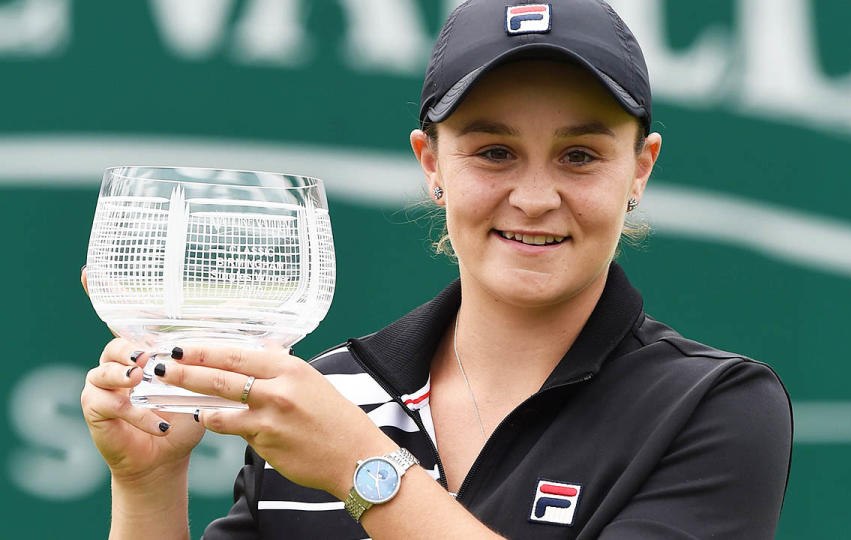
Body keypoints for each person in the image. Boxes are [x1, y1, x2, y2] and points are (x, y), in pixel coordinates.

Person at [80, 1, 793, 538]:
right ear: (431, 164)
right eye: (493, 152)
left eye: (580, 156)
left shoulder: (715, 406)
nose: (536, 198)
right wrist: (148, 484)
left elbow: (355, 463)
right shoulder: (330, 393)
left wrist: (364, 471)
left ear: (640, 169)